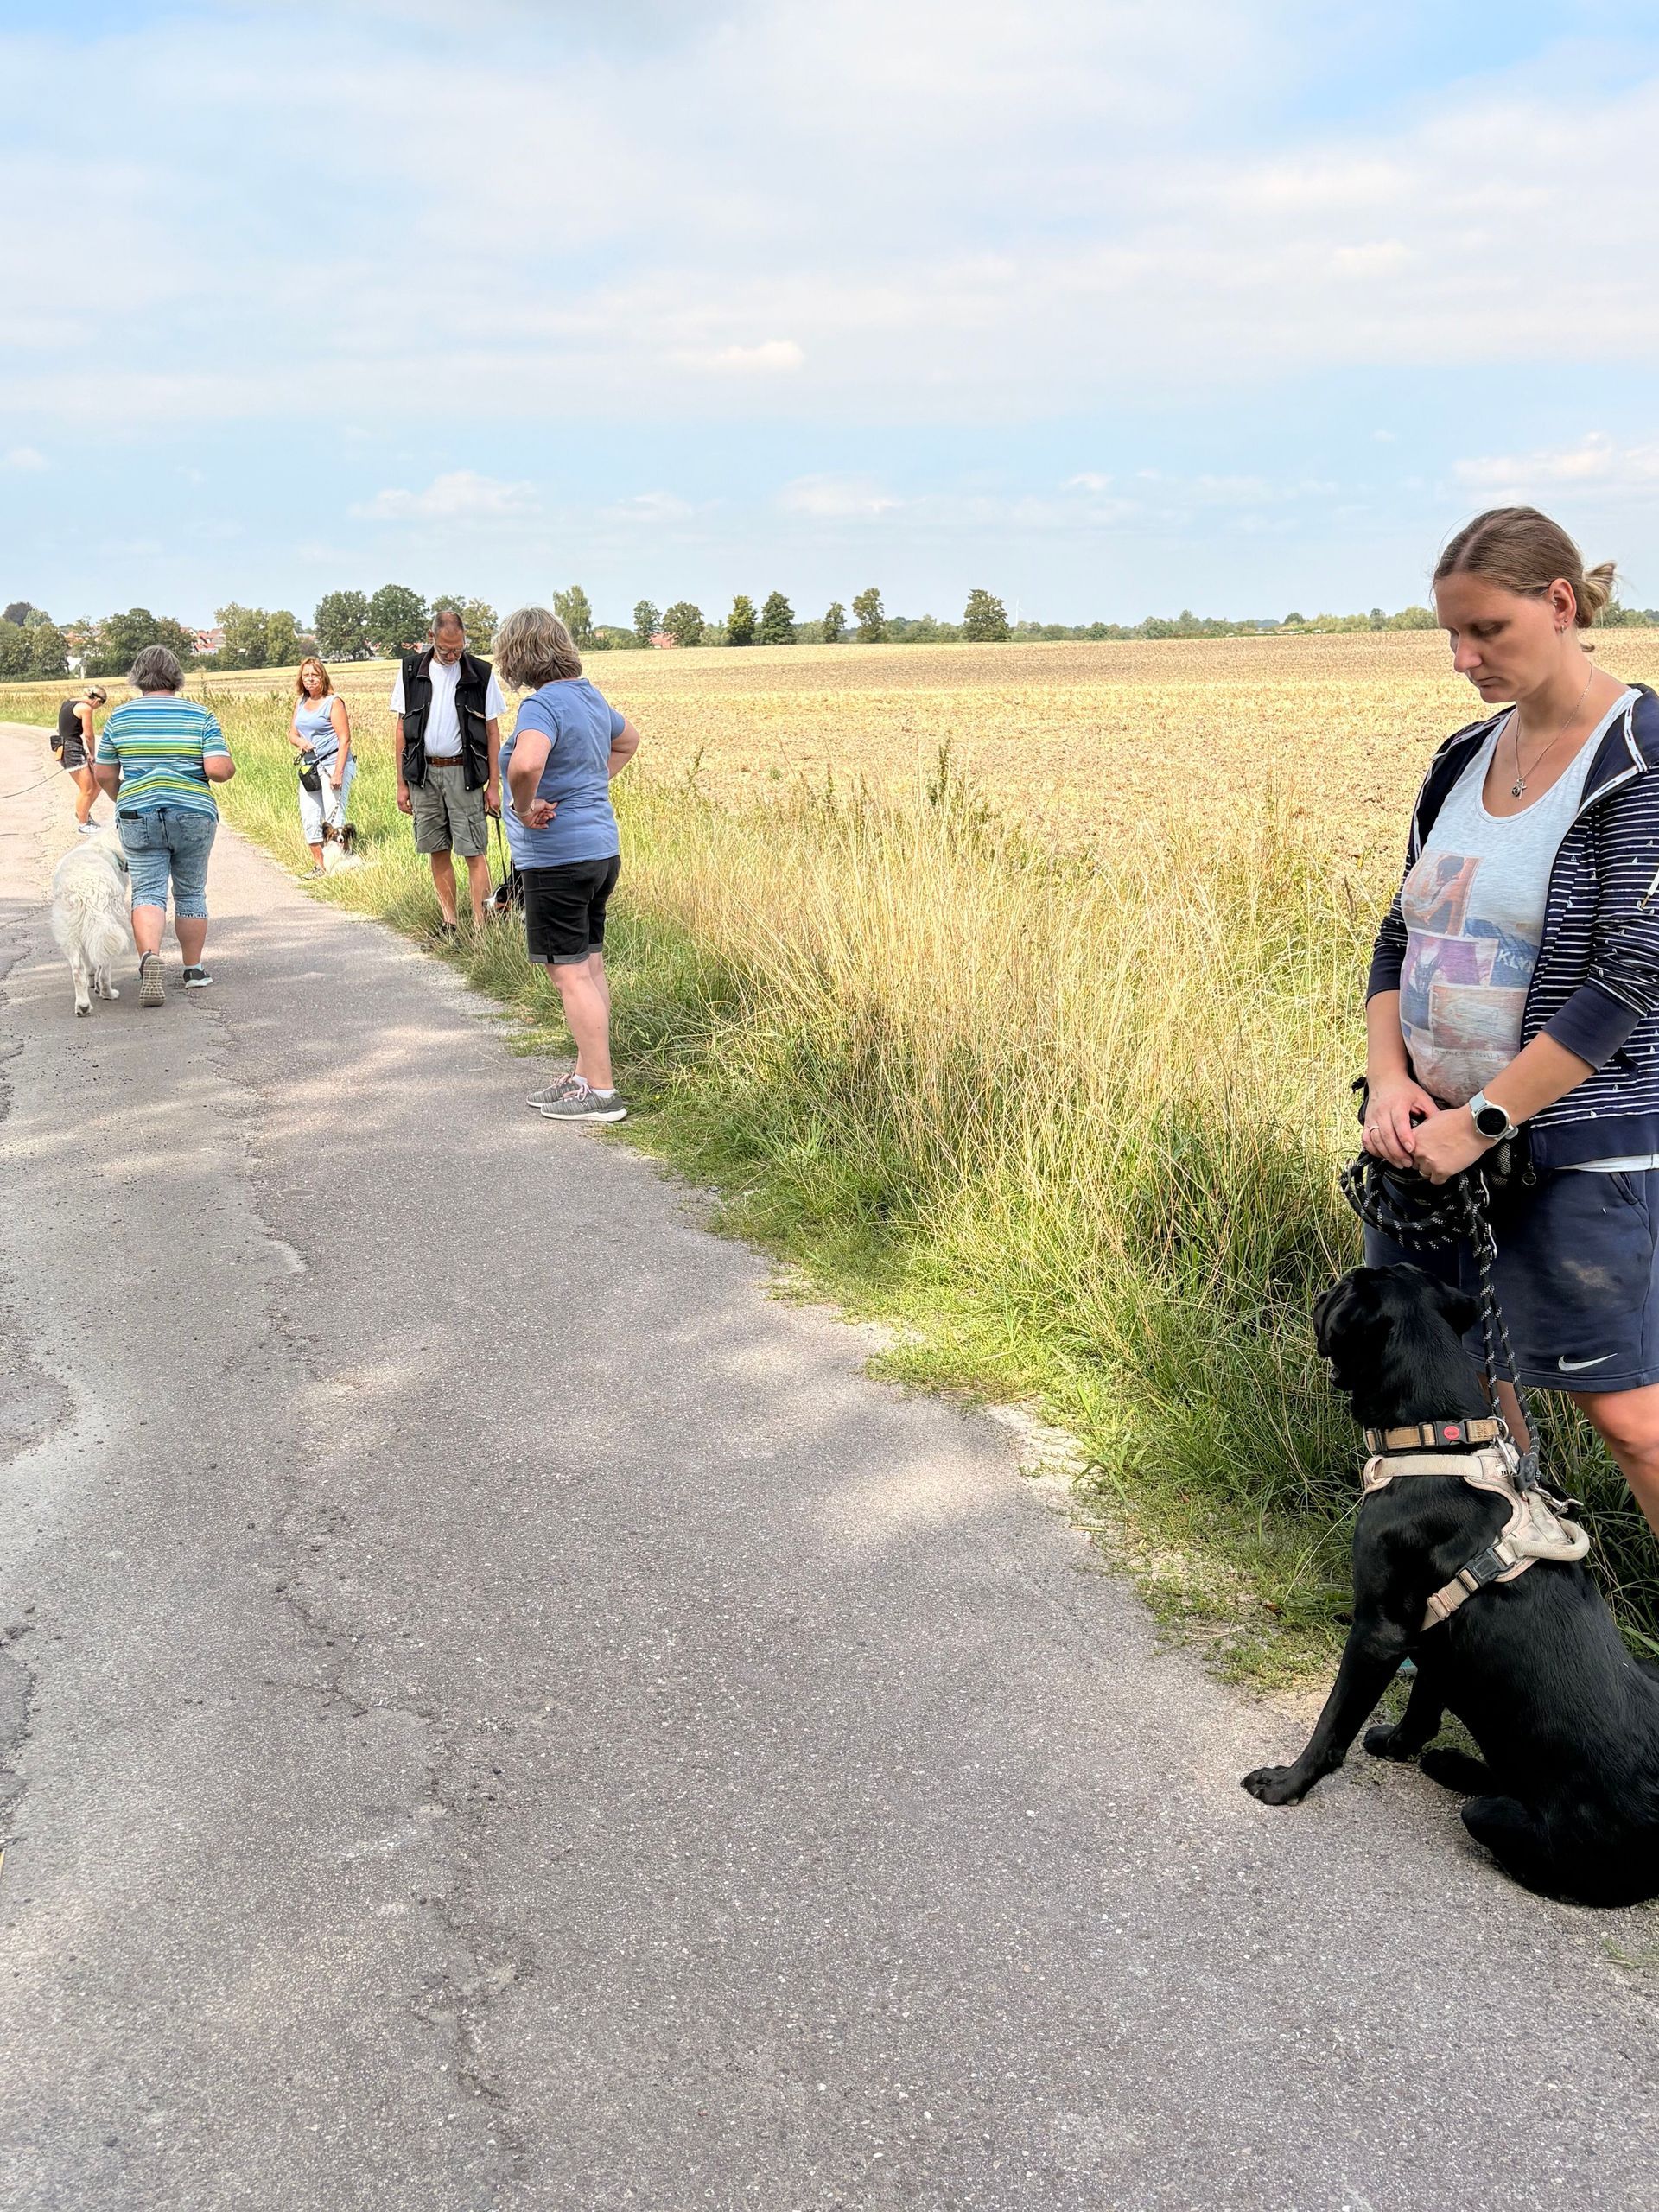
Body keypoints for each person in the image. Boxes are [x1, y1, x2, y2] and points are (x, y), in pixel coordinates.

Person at [1363, 505, 1659, 1539]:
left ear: (1561, 602)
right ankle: (1512, 1601)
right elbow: (1400, 930)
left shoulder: (1640, 757)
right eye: (1451, 633)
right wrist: (1391, 1081)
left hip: (1572, 1149)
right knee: (1461, 1396)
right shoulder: (1461, 757)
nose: (1463, 658)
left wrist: (1484, 1120)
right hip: (1426, 1139)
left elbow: (1632, 976)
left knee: (1632, 1421)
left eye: (1486, 629)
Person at [495, 605, 641, 1122]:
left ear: (517, 656)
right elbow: (628, 739)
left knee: (569, 975)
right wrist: (589, 785)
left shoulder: (541, 706)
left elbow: (527, 762)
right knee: (589, 967)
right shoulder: (588, 696)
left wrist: (523, 807)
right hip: (600, 852)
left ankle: (601, 1091)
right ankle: (586, 1075)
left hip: (558, 858)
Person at [92, 645, 234, 1005]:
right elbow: (218, 769)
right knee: (191, 891)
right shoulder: (200, 715)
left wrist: (123, 796)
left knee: (147, 891)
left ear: (138, 677)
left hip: (137, 813)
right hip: (193, 812)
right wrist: (223, 767)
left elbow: (104, 773)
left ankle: (149, 958)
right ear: (176, 676)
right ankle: (193, 970)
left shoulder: (120, 717)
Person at [391, 609, 502, 934]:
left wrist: (494, 786)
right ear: (431, 638)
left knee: (474, 851)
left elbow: (493, 731)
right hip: (423, 774)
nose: (453, 656)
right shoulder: (410, 671)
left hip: (464, 775)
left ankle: (481, 931)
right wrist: (401, 784)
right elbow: (400, 730)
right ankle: (450, 923)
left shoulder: (481, 673)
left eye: (458, 649)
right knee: (437, 849)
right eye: (445, 649)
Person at [290, 656, 354, 874]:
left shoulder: (333, 702)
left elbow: (344, 739)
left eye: (314, 675)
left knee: (334, 818)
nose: (310, 679)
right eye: (306, 675)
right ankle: (321, 866)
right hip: (310, 768)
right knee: (309, 816)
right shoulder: (300, 702)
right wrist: (300, 742)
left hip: (332, 764)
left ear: (323, 677)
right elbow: (292, 733)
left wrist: (338, 773)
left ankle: (339, 866)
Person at [54, 683, 108, 831]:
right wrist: (92, 754)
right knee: (87, 788)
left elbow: (59, 728)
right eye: (99, 706)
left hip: (66, 746)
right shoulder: (86, 708)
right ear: (97, 701)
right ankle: (83, 825)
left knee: (97, 782)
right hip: (72, 750)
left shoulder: (67, 703)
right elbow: (89, 735)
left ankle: (82, 813)